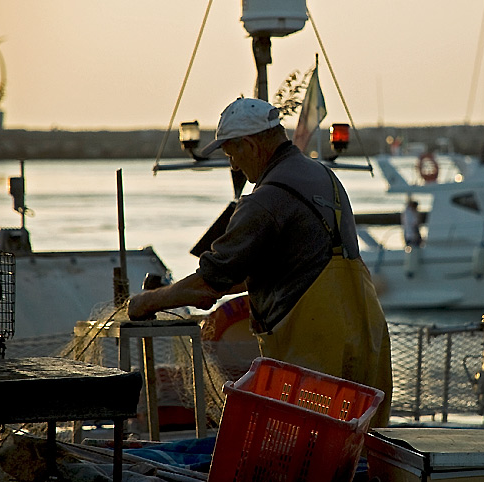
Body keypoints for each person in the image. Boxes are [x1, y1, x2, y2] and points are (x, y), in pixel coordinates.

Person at [127, 97, 393, 426]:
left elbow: (209, 284)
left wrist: (148, 301)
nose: (235, 166)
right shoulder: (325, 178)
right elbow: (293, 269)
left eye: (232, 154)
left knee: (309, 452)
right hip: (368, 339)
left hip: (315, 354)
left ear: (250, 144)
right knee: (359, 450)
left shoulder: (266, 200)